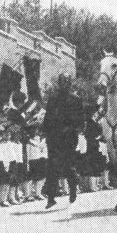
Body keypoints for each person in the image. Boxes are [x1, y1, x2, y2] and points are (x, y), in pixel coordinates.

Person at [43, 74, 86, 209]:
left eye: (66, 82)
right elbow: (47, 117)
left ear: (69, 83)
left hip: (68, 137)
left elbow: (80, 119)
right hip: (54, 137)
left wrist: (73, 128)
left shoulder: (75, 99)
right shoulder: (53, 99)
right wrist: (46, 133)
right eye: (61, 82)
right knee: (52, 167)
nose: (63, 85)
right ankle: (51, 197)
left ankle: (73, 189)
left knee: (69, 166)